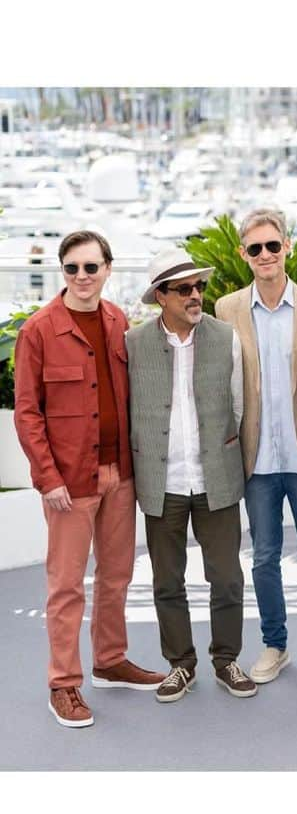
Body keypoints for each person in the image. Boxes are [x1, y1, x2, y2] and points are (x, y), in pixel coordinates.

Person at [14, 230, 165, 729]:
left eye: (91, 267)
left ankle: (110, 659)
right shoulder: (39, 331)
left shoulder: (118, 320)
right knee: (65, 586)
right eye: (73, 268)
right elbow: (28, 412)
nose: (82, 276)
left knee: (117, 575)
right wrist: (47, 477)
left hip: (119, 474)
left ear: (107, 268)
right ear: (63, 272)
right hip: (68, 484)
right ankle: (64, 683)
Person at [214, 207, 297, 683]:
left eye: (272, 245)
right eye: (254, 248)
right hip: (256, 456)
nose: (264, 254)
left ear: (287, 246)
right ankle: (275, 644)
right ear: (243, 255)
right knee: (264, 557)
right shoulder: (226, 310)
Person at [127, 247, 255, 703]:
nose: (196, 294)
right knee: (166, 581)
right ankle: (180, 664)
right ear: (161, 296)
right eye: (184, 289)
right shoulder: (134, 342)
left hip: (215, 475)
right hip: (161, 481)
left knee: (226, 578)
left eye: (199, 286)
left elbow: (238, 404)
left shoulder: (226, 337)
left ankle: (227, 660)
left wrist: (229, 453)